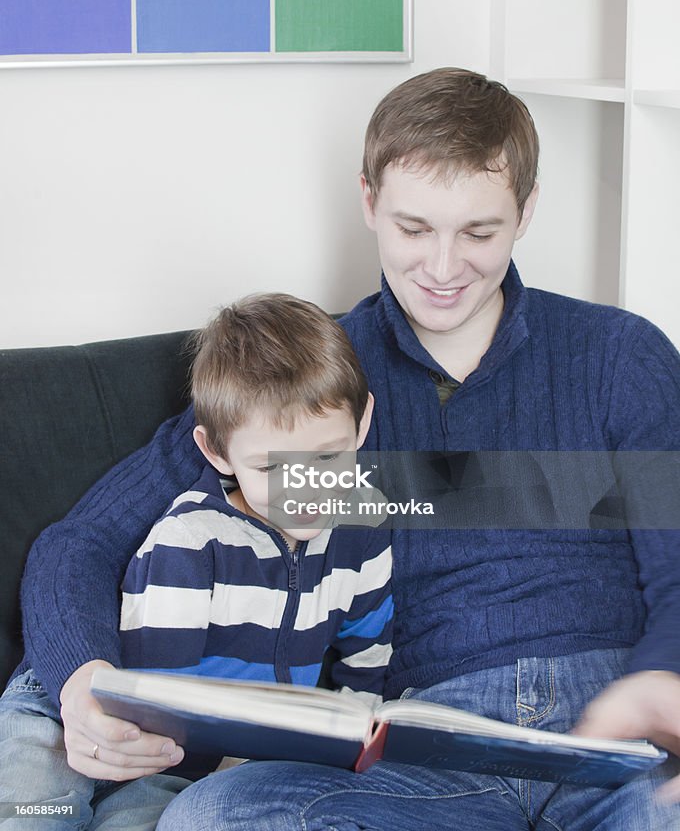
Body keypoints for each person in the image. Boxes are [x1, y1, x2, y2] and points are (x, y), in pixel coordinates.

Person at [6, 68, 680, 830]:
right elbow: (83, 541)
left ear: (526, 210)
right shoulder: (311, 385)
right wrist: (80, 680)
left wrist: (665, 674)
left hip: (616, 734)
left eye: (480, 232)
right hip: (431, 755)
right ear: (368, 201)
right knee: (216, 815)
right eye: (414, 228)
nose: (444, 267)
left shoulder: (621, 357)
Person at [0, 293, 392, 829]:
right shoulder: (191, 535)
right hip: (68, 697)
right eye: (270, 468)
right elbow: (155, 694)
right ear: (213, 450)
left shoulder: (362, 532)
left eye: (327, 457)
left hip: (173, 751)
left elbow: (367, 665)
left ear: (364, 420)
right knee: (32, 812)